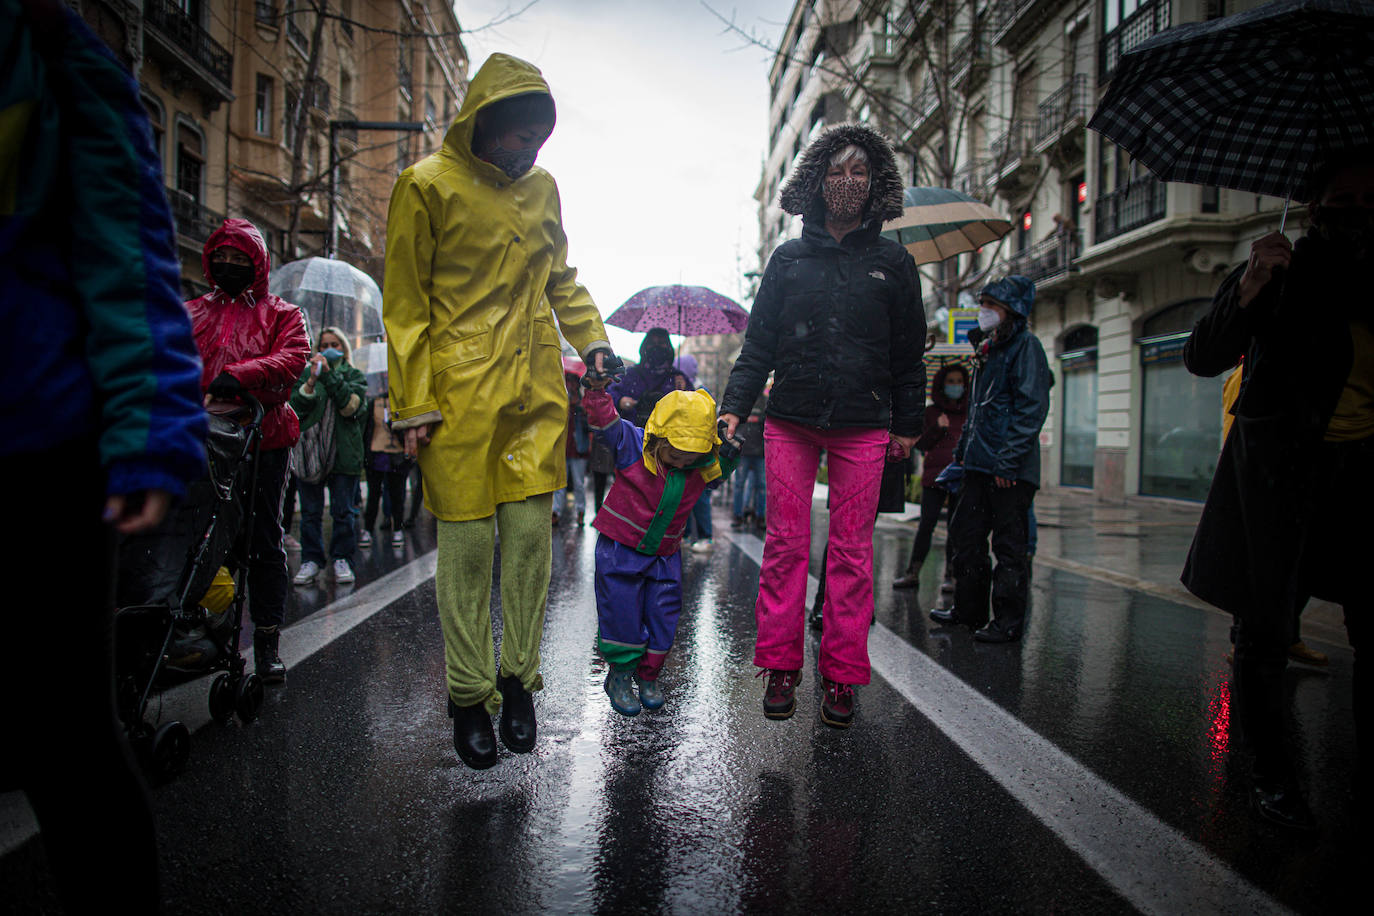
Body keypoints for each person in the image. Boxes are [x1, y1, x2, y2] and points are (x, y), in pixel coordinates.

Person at [1, 0, 207, 908]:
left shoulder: (54, 59)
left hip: (37, 446)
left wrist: (151, 437)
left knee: (64, 741)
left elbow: (129, 261)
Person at [383, 52, 619, 770]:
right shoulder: (424, 186)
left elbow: (561, 278)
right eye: (518, 137)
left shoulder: (543, 189)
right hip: (458, 399)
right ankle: (466, 694)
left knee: (527, 544)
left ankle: (517, 680)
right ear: (482, 125)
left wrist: (595, 342)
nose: (528, 151)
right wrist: (413, 402)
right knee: (468, 548)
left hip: (535, 394)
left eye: (538, 140)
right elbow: (405, 305)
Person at [1181, 148, 1373, 830]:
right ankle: (1272, 773)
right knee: (1264, 630)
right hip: (1279, 480)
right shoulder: (1281, 270)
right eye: (1340, 200)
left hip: (1362, 480)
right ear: (1315, 206)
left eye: (1366, 199)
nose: (1354, 213)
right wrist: (1249, 287)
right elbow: (1202, 355)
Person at [720, 123, 926, 729]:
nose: (846, 183)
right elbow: (758, 345)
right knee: (785, 546)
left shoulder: (894, 262)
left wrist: (908, 424)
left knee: (852, 554)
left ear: (875, 184)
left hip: (865, 423)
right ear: (815, 180)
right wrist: (735, 405)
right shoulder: (788, 259)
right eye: (836, 172)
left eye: (858, 173)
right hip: (791, 421)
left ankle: (841, 676)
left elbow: (909, 353)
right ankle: (781, 666)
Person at [187, 219, 311, 681]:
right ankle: (199, 632)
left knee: (262, 542)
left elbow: (292, 357)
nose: (229, 265)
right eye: (223, 257)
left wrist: (241, 375)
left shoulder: (283, 314)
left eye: (241, 259)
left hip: (263, 441)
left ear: (257, 264)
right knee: (197, 539)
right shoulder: (192, 312)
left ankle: (267, 642)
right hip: (199, 440)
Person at [582, 384, 738, 716]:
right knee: (622, 612)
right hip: (621, 548)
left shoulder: (700, 464)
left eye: (690, 456)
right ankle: (621, 675)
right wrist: (596, 388)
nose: (683, 462)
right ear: (658, 439)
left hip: (665, 555)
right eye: (675, 454)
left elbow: (718, 472)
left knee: (664, 614)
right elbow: (604, 419)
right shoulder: (633, 445)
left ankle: (649, 675)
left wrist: (730, 450)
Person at [930, 276, 1051, 644]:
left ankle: (1007, 622)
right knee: (966, 539)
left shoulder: (1027, 348)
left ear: (1011, 311)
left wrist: (1008, 463)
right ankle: (969, 611)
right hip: (978, 467)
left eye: (991, 306)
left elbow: (1031, 409)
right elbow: (978, 411)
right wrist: (963, 455)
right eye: (982, 303)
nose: (983, 312)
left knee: (1009, 547)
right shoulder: (987, 350)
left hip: (1008, 471)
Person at [290, 327, 367, 585]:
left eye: (335, 343)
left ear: (344, 349)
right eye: (323, 344)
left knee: (343, 512)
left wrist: (331, 376)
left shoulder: (354, 375)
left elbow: (351, 409)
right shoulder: (305, 375)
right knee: (310, 512)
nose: (328, 348)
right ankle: (311, 559)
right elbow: (295, 408)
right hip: (311, 453)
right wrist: (311, 381)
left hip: (344, 454)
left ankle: (342, 558)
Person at [893, 363, 968, 589]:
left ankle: (951, 575)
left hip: (960, 475)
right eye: (950, 381)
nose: (955, 386)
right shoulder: (932, 412)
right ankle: (913, 572)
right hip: (935, 476)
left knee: (956, 527)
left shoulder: (970, 411)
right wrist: (938, 427)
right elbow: (921, 444)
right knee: (927, 524)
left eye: (959, 382)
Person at [360, 383, 411, 548]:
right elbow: (366, 429)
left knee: (397, 495)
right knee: (373, 495)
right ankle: (368, 530)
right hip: (376, 456)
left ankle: (398, 528)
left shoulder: (401, 403)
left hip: (397, 456)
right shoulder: (372, 404)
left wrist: (394, 426)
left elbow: (405, 429)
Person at [611, 327, 689, 423]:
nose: (656, 347)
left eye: (661, 343)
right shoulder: (630, 374)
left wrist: (684, 393)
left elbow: (692, 409)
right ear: (645, 346)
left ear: (668, 347)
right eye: (652, 343)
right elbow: (609, 394)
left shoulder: (677, 378)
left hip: (668, 434)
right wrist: (620, 401)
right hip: (635, 433)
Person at [555, 369, 590, 526]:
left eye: (572, 383)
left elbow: (589, 426)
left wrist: (581, 411)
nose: (570, 386)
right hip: (562, 448)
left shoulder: (583, 404)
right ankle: (555, 512)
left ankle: (580, 512)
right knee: (559, 483)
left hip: (578, 449)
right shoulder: (560, 401)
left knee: (578, 483)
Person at [731, 397, 768, 531]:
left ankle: (759, 516)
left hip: (759, 453)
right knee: (740, 485)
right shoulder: (746, 399)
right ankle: (738, 516)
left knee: (760, 486)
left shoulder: (764, 401)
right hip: (745, 451)